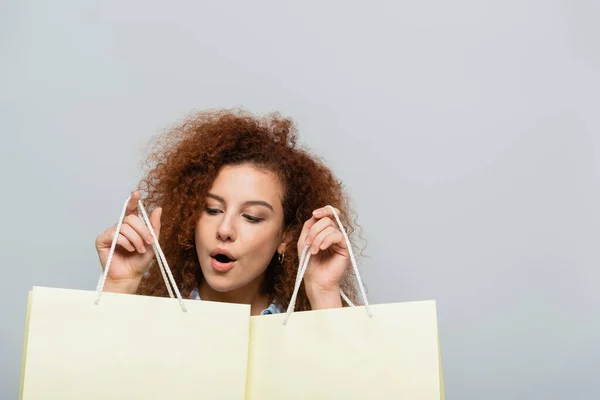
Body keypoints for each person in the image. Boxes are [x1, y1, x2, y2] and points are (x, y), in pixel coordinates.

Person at [95, 108, 363, 316]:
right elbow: (89, 383)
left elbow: (347, 386)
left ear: (287, 237)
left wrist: (324, 292)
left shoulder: (309, 327)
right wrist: (119, 285)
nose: (224, 230)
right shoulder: (150, 321)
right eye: (212, 209)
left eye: (251, 217)